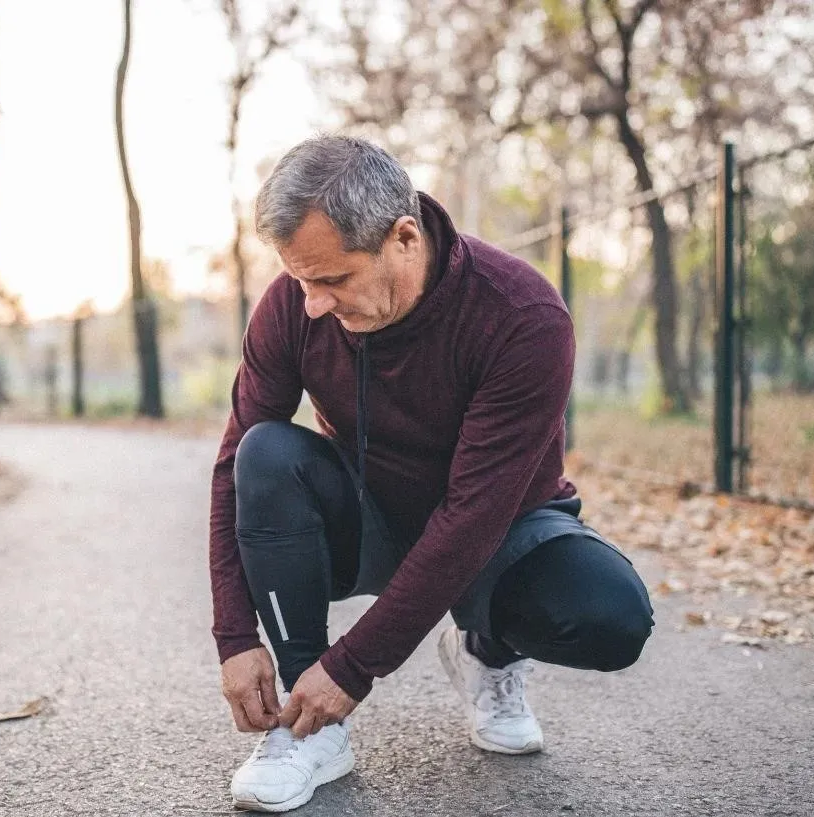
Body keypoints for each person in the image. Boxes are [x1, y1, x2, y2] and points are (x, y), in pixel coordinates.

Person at [208, 135, 654, 813]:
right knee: (264, 453)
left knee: (611, 616)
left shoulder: (521, 317)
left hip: (500, 529)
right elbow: (232, 462)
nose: (313, 304)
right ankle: (309, 731)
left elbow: (473, 515)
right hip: (370, 516)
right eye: (301, 279)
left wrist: (355, 666)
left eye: (333, 279)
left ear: (405, 237)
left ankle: (488, 652)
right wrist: (236, 636)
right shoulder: (291, 309)